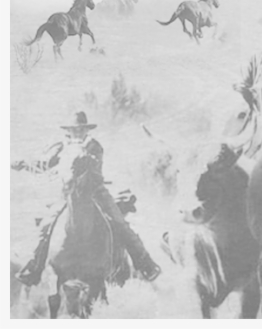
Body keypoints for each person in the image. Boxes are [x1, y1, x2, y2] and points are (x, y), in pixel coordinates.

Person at [14, 112, 162, 287]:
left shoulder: (94, 147)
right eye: (74, 130)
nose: (77, 133)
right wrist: (24, 163)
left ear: (86, 130)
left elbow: (96, 171)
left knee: (120, 223)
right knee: (46, 226)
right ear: (68, 131)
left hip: (96, 192)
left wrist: (86, 162)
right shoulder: (60, 147)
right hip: (66, 193)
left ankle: (145, 263)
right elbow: (45, 162)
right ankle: (34, 267)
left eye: (81, 129)